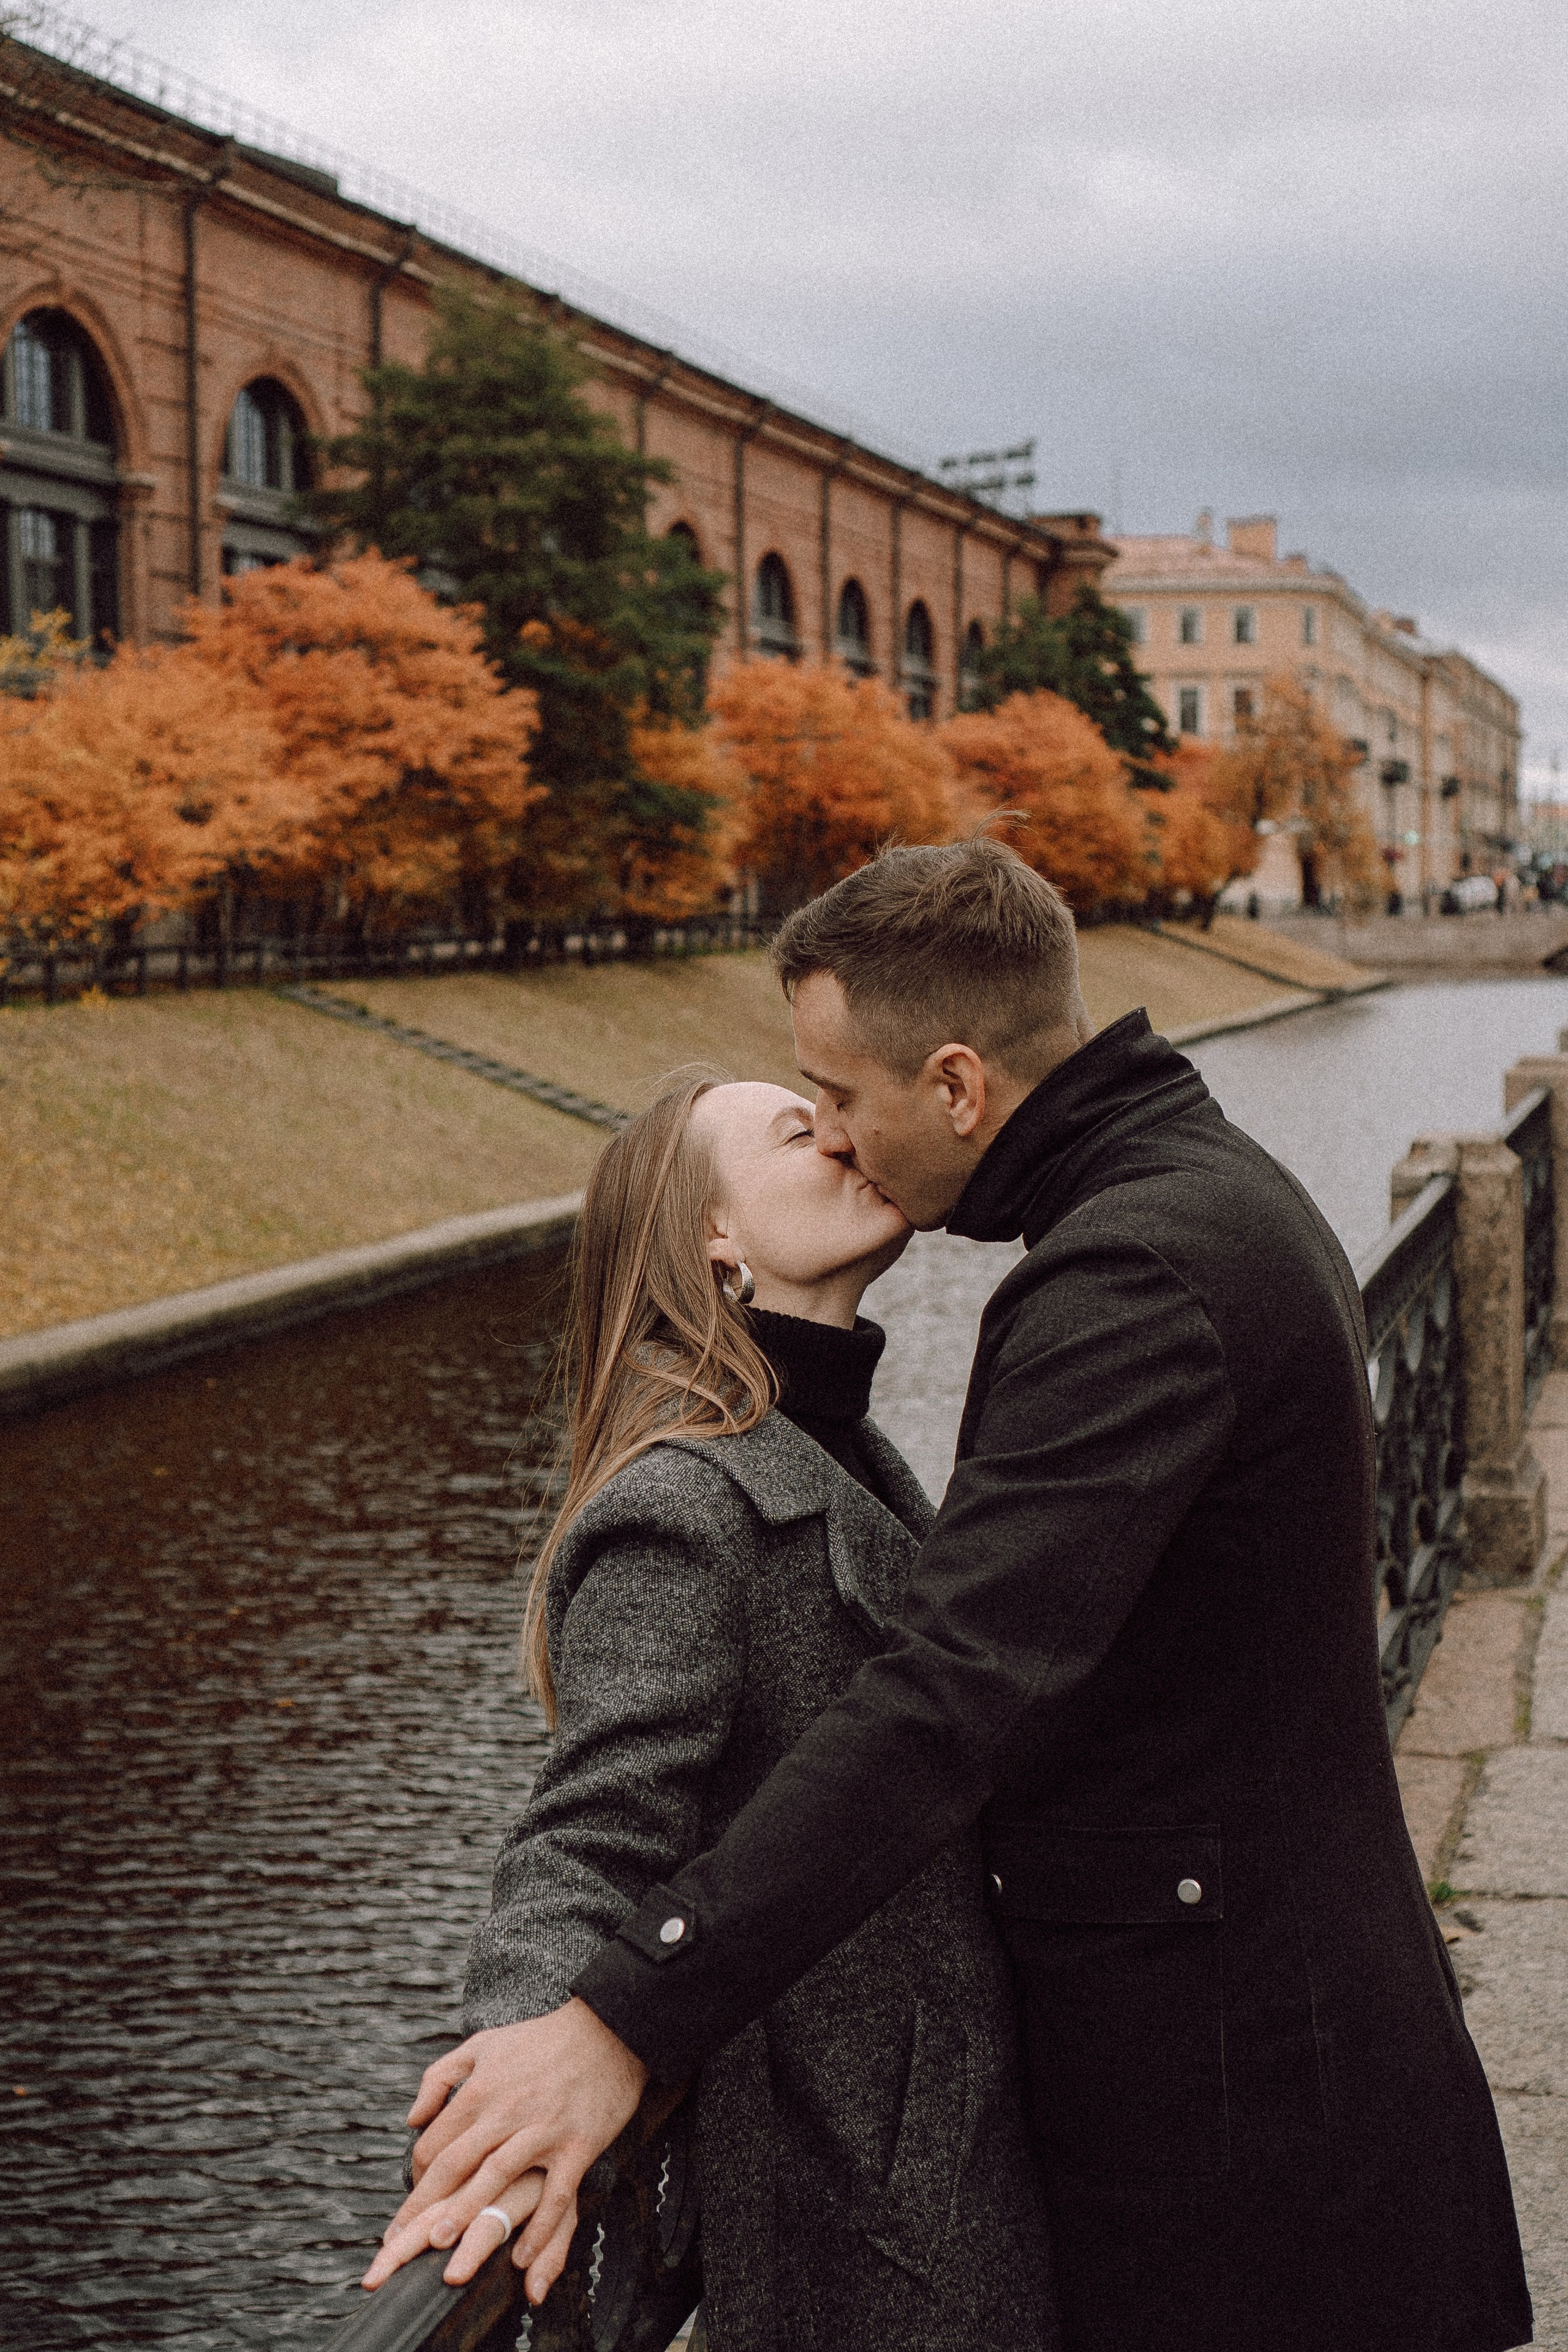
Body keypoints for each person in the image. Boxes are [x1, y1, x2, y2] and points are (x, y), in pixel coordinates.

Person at [377, 839, 1532, 2352]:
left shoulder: (1129, 1274)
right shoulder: (1182, 1201)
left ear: (959, 1087)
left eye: (839, 1101)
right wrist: (551, 2020)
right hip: (1239, 2065)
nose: (849, 1144)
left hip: (1244, 2107)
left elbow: (950, 1693)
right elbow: (599, 1815)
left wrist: (627, 2015)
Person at [364, 1070, 1057, 2350]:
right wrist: (520, 2090)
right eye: (803, 1131)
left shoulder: (836, 1443)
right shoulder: (683, 1504)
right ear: (711, 1240)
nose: (846, 1135)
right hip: (860, 2193)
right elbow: (587, 1833)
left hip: (938, 2137)